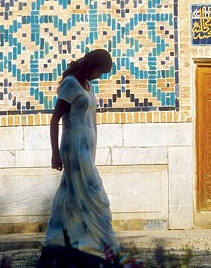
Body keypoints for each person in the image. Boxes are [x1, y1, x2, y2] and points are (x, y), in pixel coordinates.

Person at [42, 49, 142, 267]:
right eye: (100, 71)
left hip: (87, 150)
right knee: (97, 197)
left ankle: (55, 245)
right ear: (92, 65)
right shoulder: (70, 84)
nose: (100, 76)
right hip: (74, 149)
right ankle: (113, 252)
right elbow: (54, 120)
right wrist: (55, 153)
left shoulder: (89, 87)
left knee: (68, 198)